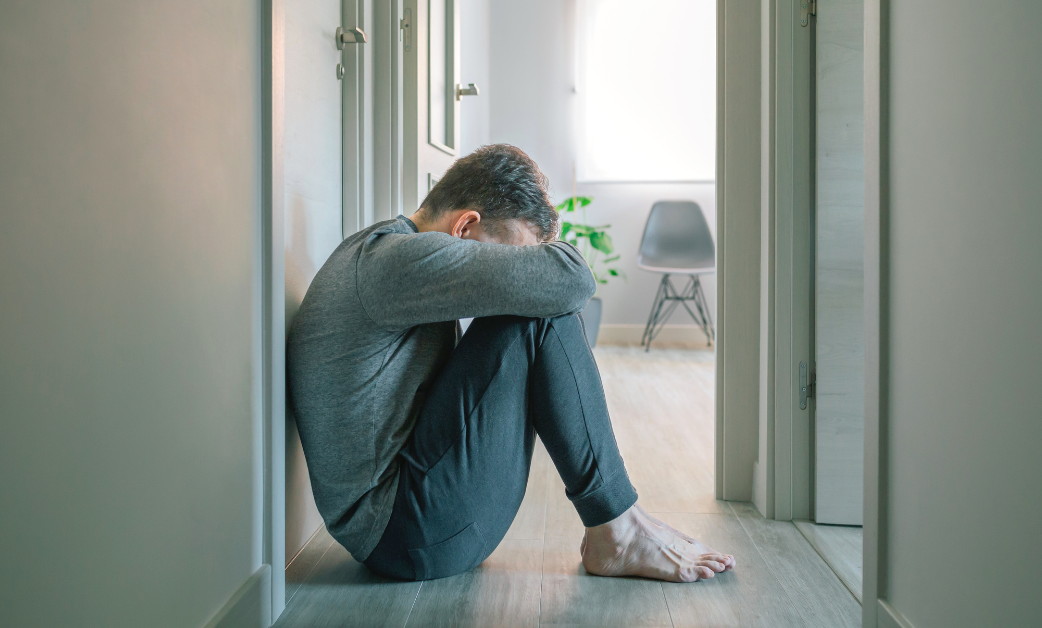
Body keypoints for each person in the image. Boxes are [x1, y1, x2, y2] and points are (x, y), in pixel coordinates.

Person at [287, 144, 735, 582]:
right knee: (538, 311)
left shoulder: (386, 251)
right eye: (511, 254)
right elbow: (572, 277)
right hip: (405, 534)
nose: (509, 267)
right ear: (465, 227)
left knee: (536, 299)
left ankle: (622, 518)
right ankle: (617, 527)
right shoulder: (397, 261)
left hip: (408, 523)